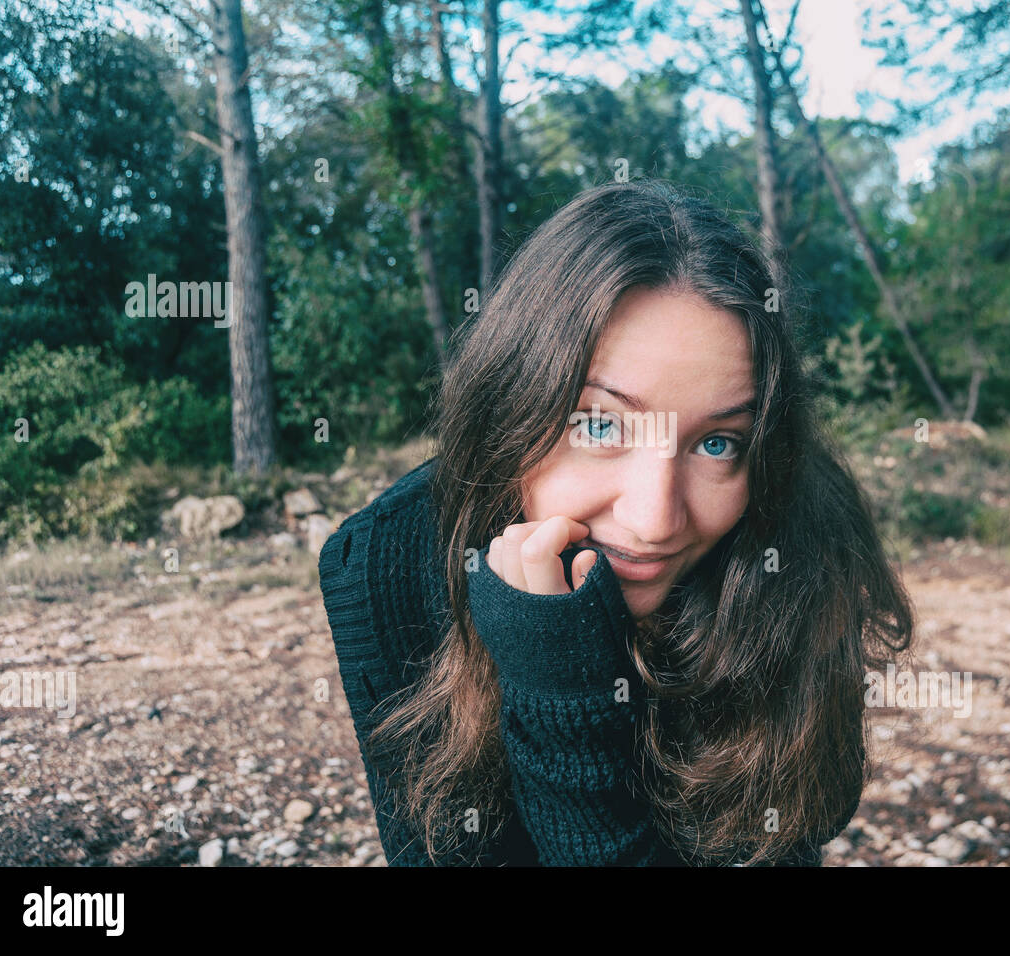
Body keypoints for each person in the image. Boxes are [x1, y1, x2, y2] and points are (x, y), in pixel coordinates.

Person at [317, 177, 914, 866]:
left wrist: (562, 691)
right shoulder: (385, 560)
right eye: (601, 425)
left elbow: (795, 827)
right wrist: (549, 675)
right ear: (513, 404)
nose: (656, 520)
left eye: (716, 442)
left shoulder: (797, 535)